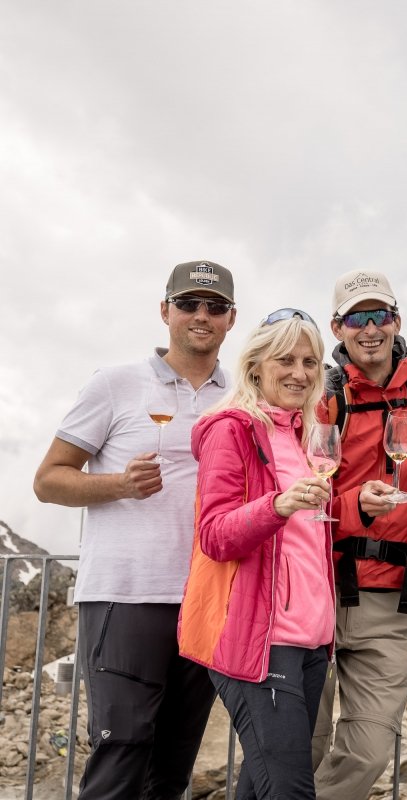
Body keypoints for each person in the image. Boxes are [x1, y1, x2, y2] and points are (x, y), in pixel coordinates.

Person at [32, 261, 236, 800]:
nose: (201, 315)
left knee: (171, 768)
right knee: (120, 752)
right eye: (189, 304)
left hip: (203, 599)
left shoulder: (239, 398)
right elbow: (48, 481)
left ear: (231, 319)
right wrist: (120, 485)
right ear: (164, 310)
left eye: (214, 307)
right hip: (124, 597)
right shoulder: (114, 383)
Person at [310, 270, 407, 799]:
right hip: (315, 588)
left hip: (390, 597)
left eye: (381, 315)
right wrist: (353, 508)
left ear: (397, 321)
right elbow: (292, 489)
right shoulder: (320, 396)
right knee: (299, 745)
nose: (370, 328)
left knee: (369, 751)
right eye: (357, 317)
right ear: (337, 327)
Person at [177, 308, 335, 798]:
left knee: (261, 786)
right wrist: (279, 503)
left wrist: (358, 503)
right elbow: (215, 535)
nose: (300, 372)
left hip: (310, 641)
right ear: (255, 366)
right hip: (258, 641)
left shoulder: (303, 434)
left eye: (311, 362)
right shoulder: (232, 429)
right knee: (290, 791)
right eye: (285, 359)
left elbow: (307, 538)